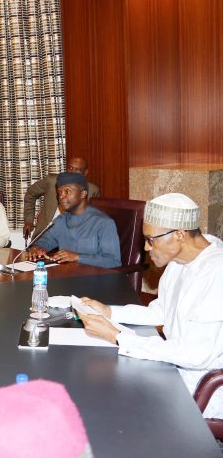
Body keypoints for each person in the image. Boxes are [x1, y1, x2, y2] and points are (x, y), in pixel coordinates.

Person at [78, 193, 223, 419]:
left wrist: (118, 337)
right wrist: (109, 311)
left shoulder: (216, 272)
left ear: (179, 235)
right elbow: (160, 312)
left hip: (205, 387)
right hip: (176, 368)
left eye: (151, 240)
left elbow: (195, 355)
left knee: (109, 398)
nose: (146, 247)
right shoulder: (179, 262)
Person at [27, 172, 120, 268]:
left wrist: (77, 257)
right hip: (66, 274)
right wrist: (37, 248)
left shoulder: (103, 223)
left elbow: (113, 261)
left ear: (83, 194)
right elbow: (45, 240)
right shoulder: (61, 220)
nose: (61, 196)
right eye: (59, 193)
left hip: (95, 276)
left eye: (67, 192)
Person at [23, 157, 101, 240]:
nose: (72, 172)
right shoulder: (52, 181)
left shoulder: (92, 191)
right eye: (70, 168)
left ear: (85, 173)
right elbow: (30, 193)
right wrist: (29, 220)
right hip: (44, 236)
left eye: (77, 170)